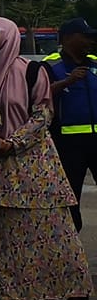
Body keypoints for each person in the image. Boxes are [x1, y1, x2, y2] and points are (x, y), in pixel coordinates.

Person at [0, 16, 91, 300]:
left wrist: (13, 142)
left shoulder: (31, 71)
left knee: (54, 229)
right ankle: (7, 289)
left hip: (32, 160)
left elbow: (43, 114)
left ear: (8, 35)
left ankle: (76, 291)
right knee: (3, 230)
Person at [44, 17, 96, 233]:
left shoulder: (94, 62)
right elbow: (39, 94)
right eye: (84, 36)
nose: (89, 41)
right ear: (67, 38)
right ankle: (70, 240)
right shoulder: (50, 64)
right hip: (66, 142)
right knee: (69, 193)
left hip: (96, 139)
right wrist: (67, 81)